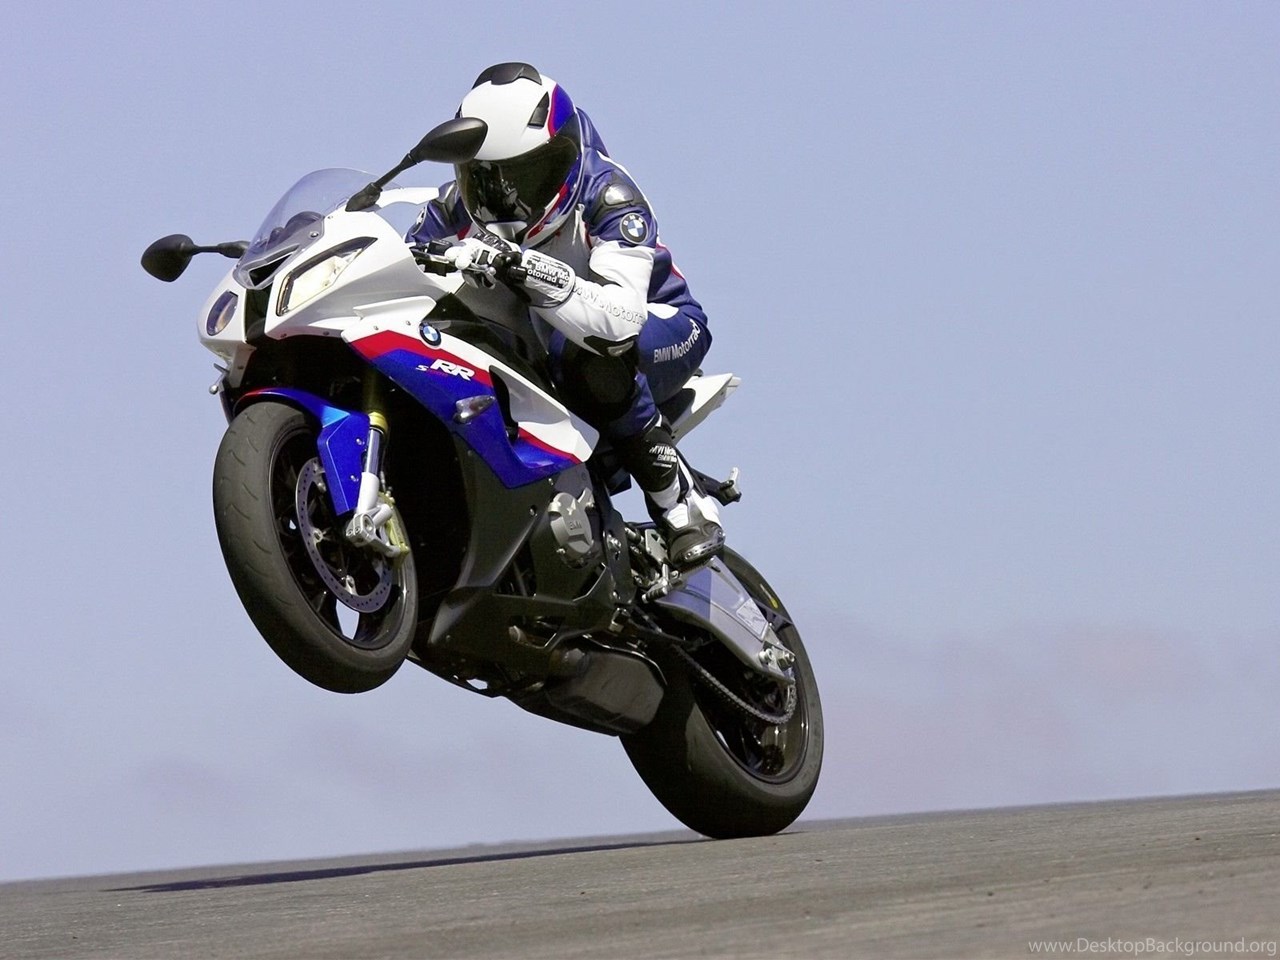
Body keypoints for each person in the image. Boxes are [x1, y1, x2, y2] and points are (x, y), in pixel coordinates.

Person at [408, 62, 724, 567]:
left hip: (661, 327)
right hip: (537, 346)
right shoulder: (451, 209)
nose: (506, 198)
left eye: (524, 176)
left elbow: (619, 320)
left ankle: (678, 501)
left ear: (562, 157)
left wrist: (529, 269)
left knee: (585, 354)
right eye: (486, 180)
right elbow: (406, 269)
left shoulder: (609, 194)